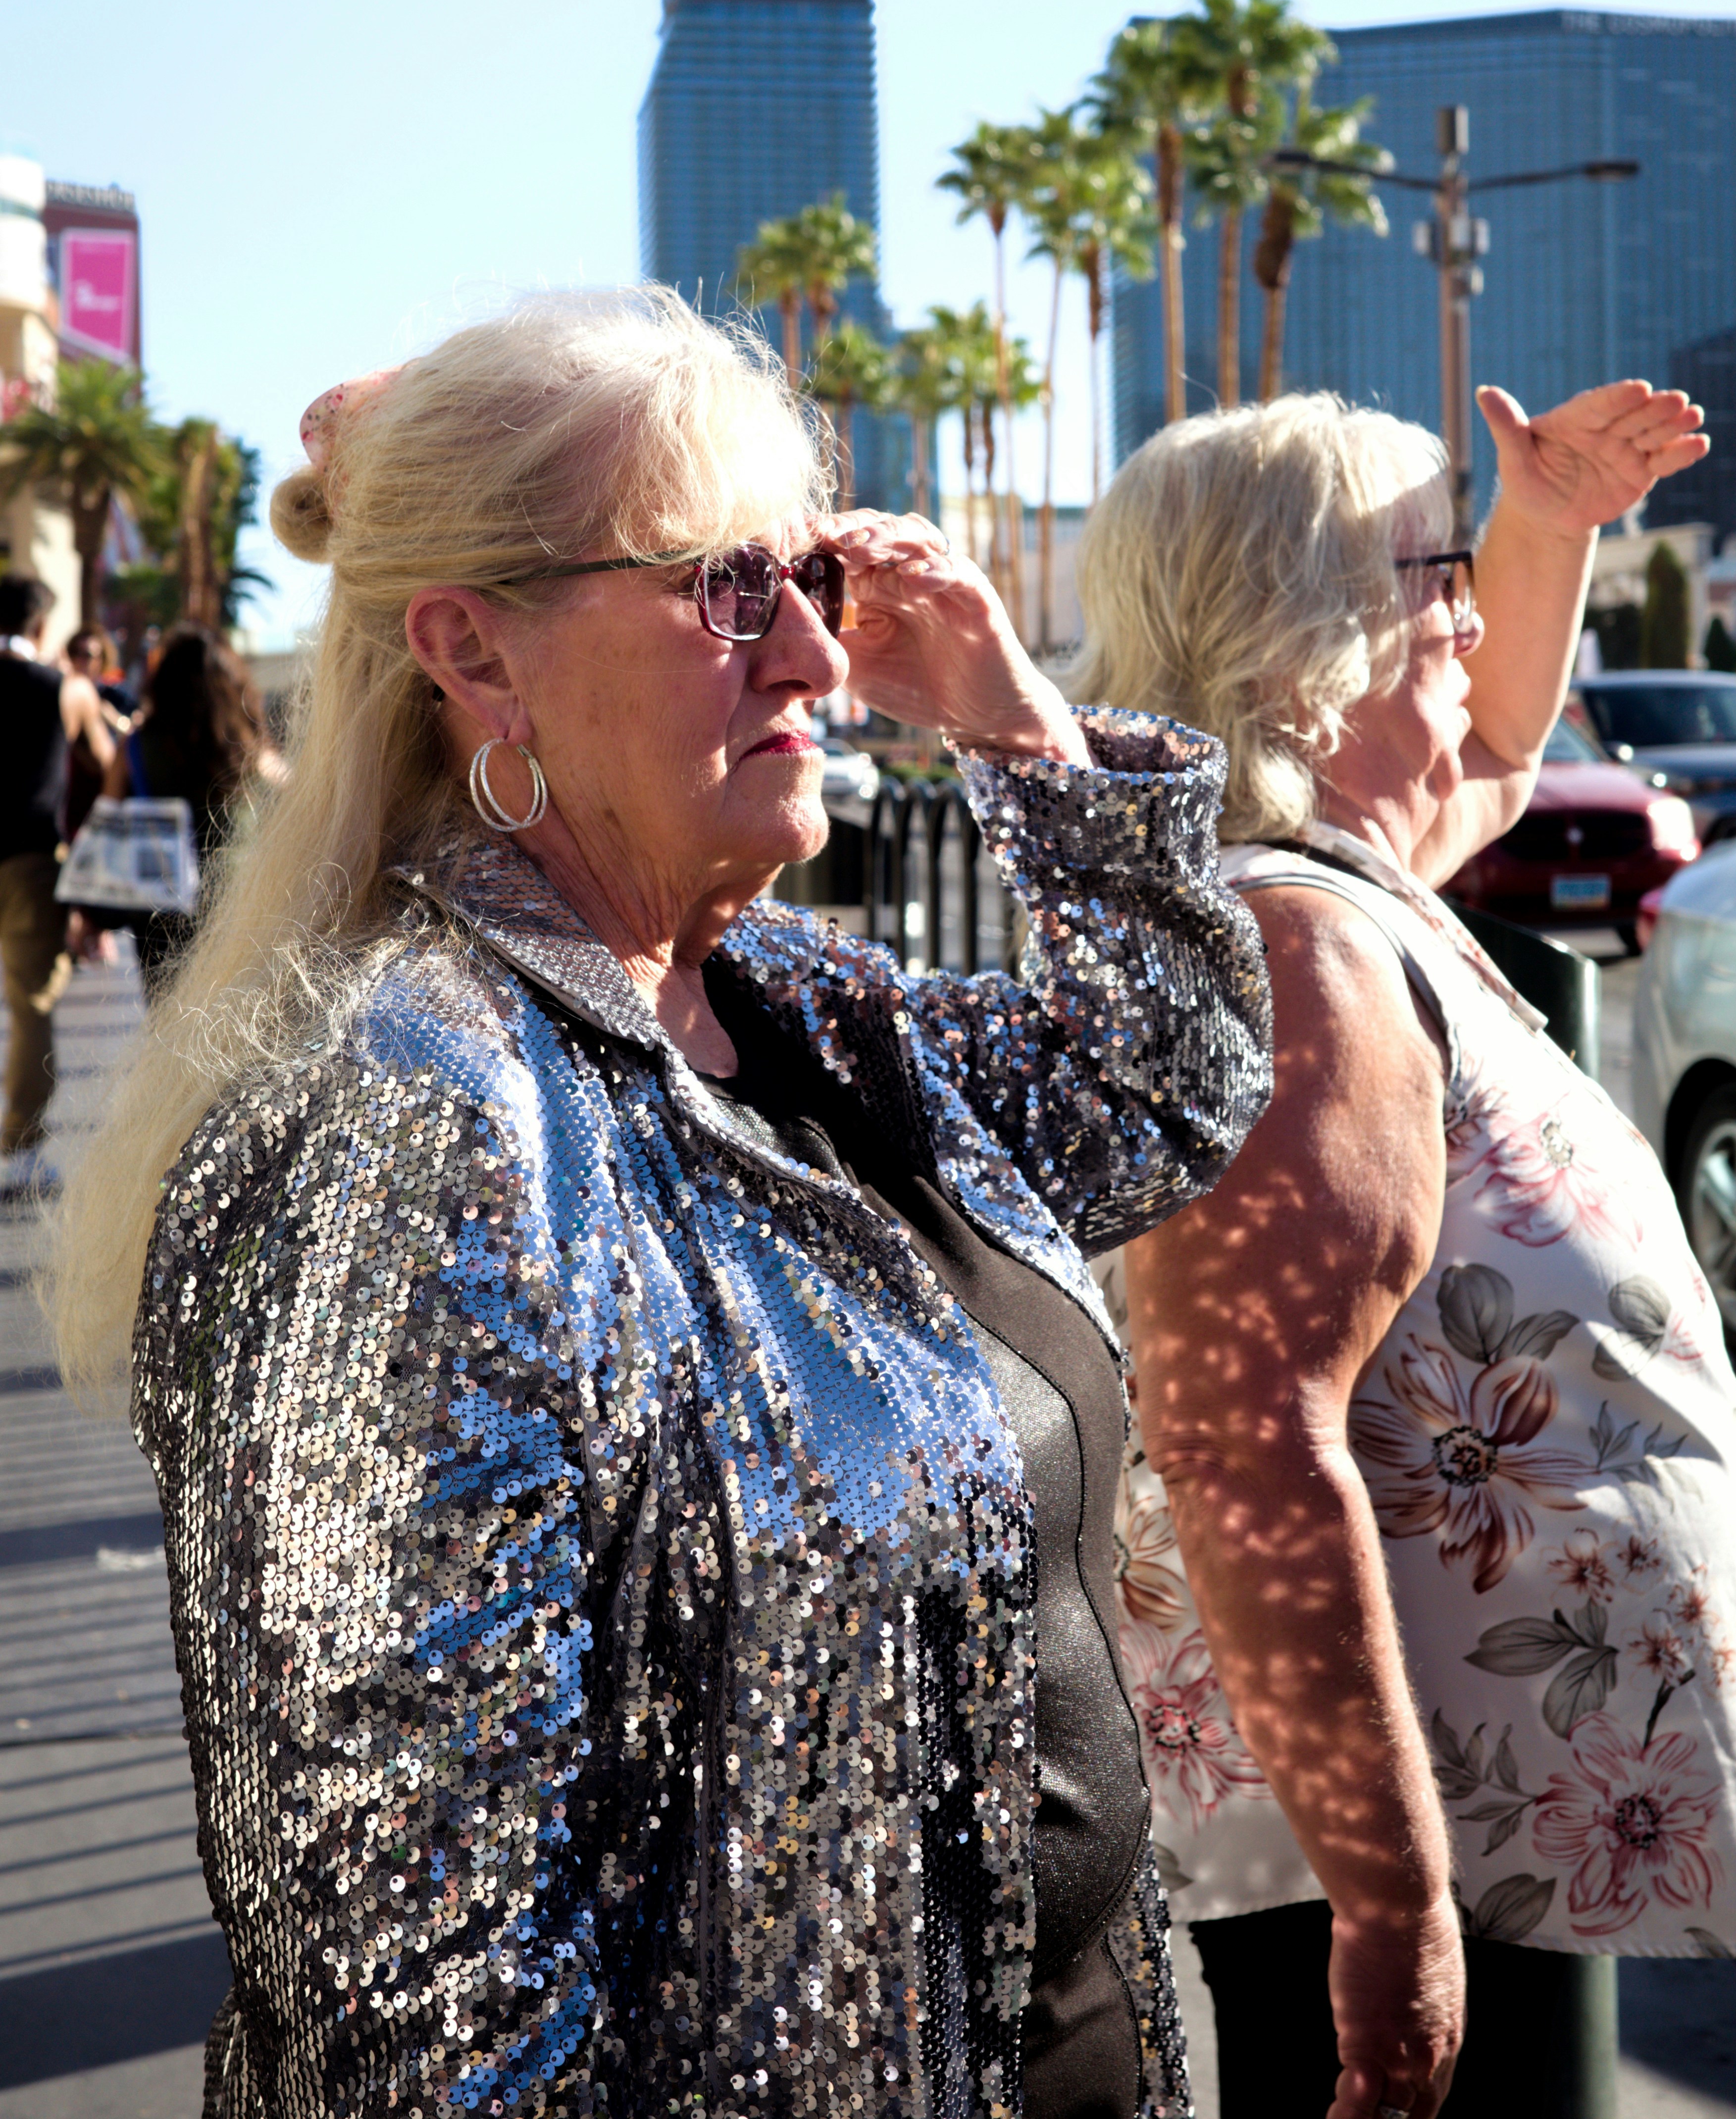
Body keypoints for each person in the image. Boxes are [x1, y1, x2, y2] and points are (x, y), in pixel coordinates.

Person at [49, 289, 1273, 2119]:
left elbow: (1163, 1083)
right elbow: (420, 1989)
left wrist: (1022, 732)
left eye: (814, 582)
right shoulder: (404, 1130)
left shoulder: (796, 1001)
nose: (813, 660)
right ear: (475, 654)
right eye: (720, 586)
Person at [1070, 383, 1736, 2119]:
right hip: (1388, 1854)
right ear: (1305, 639)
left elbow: (1486, 742)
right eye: (1436, 572)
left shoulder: (1344, 876)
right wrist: (1387, 1896)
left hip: (1486, 1820)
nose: (1471, 609)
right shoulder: (1292, 946)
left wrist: (1545, 516)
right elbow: (1238, 1438)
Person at [96, 622, 279, 990]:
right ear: (229, 684)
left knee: (166, 1013)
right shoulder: (245, 747)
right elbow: (293, 792)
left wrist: (91, 911)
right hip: (234, 897)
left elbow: (107, 819)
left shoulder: (136, 745)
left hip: (159, 903)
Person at [0, 575, 72, 1191]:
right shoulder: (58, 688)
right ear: (42, 627)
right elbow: (106, 758)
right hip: (29, 861)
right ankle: (20, 1144)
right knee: (31, 1005)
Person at [59, 625, 125, 840]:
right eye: (76, 653)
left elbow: (132, 737)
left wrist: (112, 718)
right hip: (72, 794)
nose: (82, 660)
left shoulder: (116, 696)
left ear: (102, 659)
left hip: (104, 791)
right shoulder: (62, 691)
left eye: (89, 655)